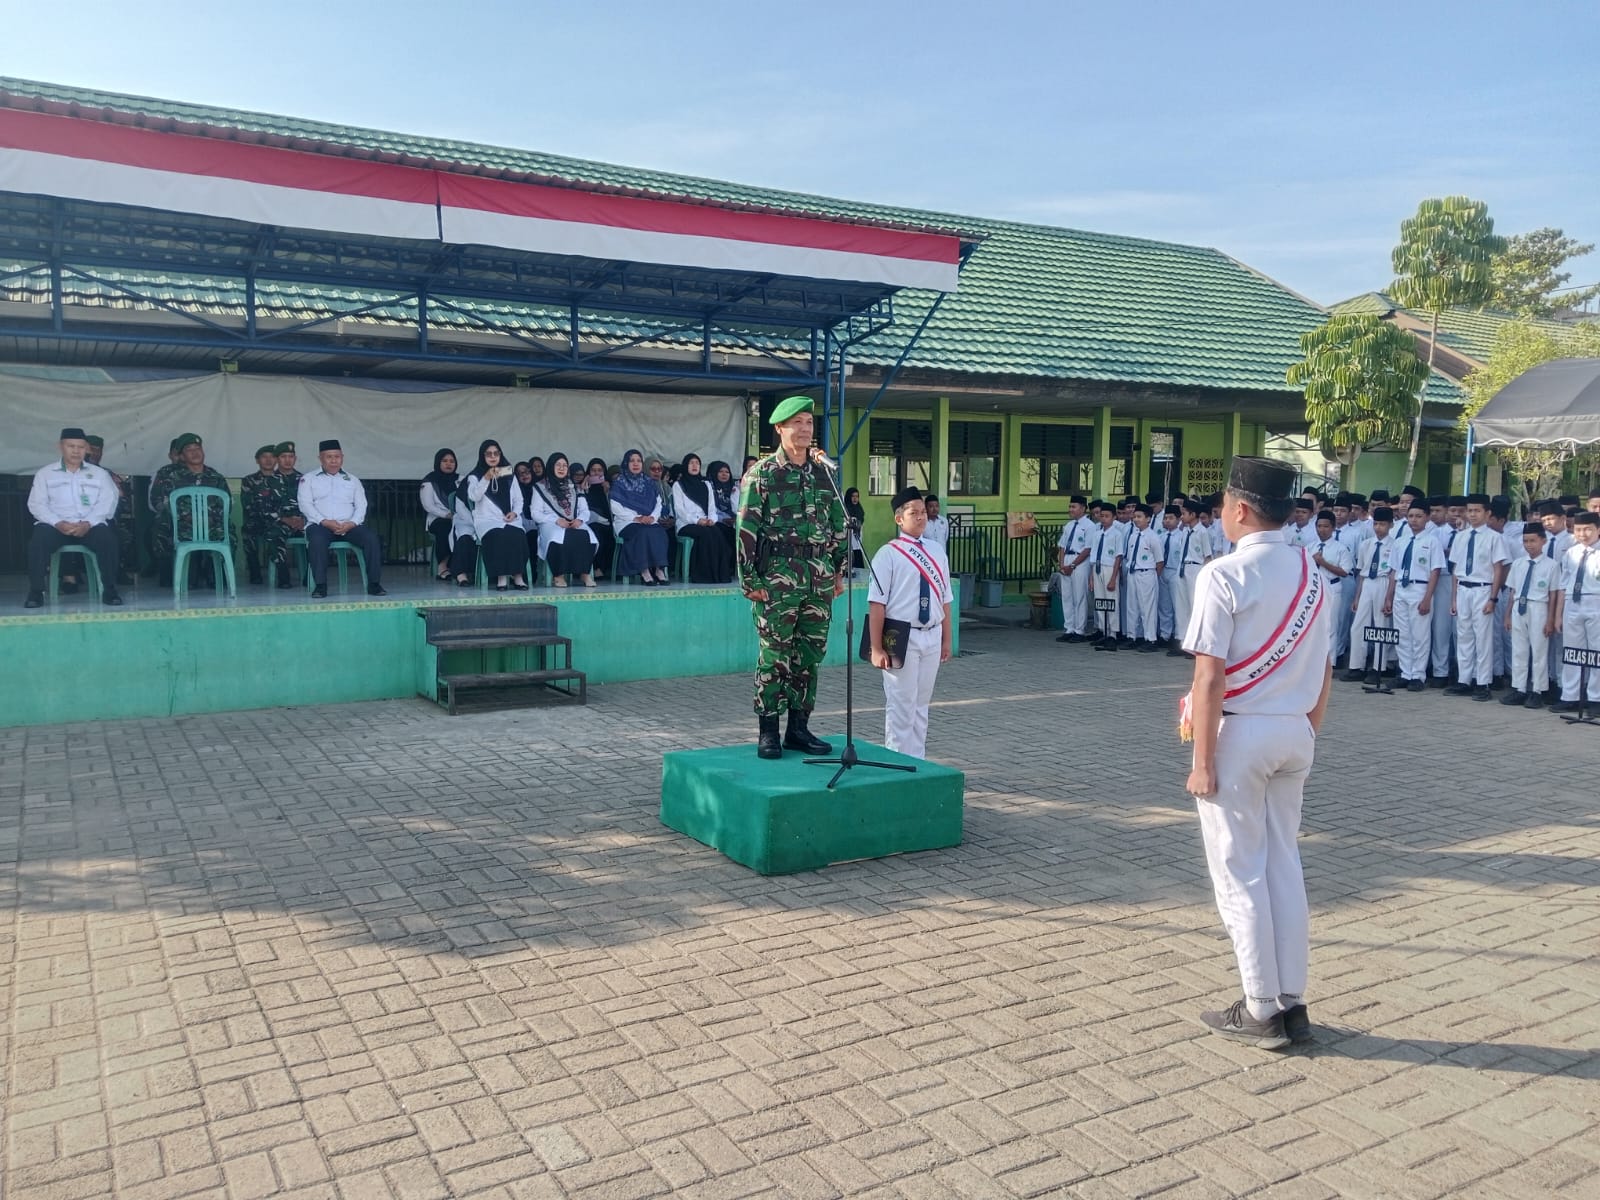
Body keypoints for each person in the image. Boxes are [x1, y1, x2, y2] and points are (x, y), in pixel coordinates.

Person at [1181, 455, 1332, 1050]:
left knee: (1240, 872)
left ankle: (1260, 1007)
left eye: (1222, 503)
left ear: (1240, 509)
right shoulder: (1313, 572)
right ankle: (1292, 1002)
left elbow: (1209, 678)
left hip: (1239, 733)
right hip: (1294, 729)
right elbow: (1324, 669)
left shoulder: (1223, 574)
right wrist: (1306, 729)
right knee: (1282, 867)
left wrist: (1202, 760)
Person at [737, 396, 846, 759]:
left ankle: (798, 728)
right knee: (774, 655)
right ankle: (768, 730)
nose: (804, 429)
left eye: (809, 423)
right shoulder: (763, 474)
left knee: (810, 654)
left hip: (819, 577)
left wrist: (840, 569)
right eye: (796, 423)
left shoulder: (823, 473)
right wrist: (749, 580)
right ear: (780, 429)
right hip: (778, 577)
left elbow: (839, 523)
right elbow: (746, 529)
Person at [867, 486, 953, 759]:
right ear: (899, 519)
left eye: (923, 512)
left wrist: (946, 639)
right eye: (913, 513)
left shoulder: (937, 550)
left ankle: (917, 761)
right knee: (901, 704)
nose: (920, 517)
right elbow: (877, 604)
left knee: (921, 705)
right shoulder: (888, 554)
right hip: (901, 636)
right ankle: (897, 760)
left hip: (931, 633)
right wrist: (876, 647)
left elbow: (945, 599)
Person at [23, 427, 124, 608]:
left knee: (108, 539)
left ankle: (110, 589)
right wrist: (58, 522)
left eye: (80, 447)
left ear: (87, 449)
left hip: (89, 525)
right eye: (71, 446)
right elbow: (36, 504)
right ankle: (36, 592)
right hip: (55, 526)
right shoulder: (45, 474)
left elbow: (108, 502)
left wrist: (88, 523)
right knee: (38, 541)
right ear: (60, 447)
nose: (76, 451)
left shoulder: (99, 474)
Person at [297, 439, 387, 599]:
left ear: (342, 457)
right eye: (329, 457)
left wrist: (351, 523)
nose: (333, 461)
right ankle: (320, 586)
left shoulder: (353, 480)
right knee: (317, 540)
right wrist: (324, 521)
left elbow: (361, 505)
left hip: (349, 525)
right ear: (320, 458)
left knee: (371, 538)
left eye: (337, 457)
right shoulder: (308, 479)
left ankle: (374, 584)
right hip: (320, 525)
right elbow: (305, 505)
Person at [1445, 494, 1509, 701]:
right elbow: (1456, 569)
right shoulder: (1461, 537)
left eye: (1477, 511)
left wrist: (1493, 598)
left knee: (1483, 638)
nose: (1472, 514)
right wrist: (1454, 599)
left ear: (1487, 513)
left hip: (1483, 589)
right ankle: (1464, 679)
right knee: (1464, 636)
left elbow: (1498, 568)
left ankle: (1483, 682)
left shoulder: (1494, 538)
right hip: (1464, 589)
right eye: (1469, 510)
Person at [148, 432, 233, 588]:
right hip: (180, 524)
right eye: (189, 449)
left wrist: (210, 518)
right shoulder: (168, 474)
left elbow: (227, 503)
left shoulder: (215, 476)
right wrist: (184, 517)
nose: (195, 452)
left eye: (198, 448)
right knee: (161, 525)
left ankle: (216, 574)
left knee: (229, 530)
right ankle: (172, 574)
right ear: (181, 456)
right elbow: (158, 501)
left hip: (211, 524)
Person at [1385, 504, 1443, 692]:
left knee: (1420, 635)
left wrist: (1427, 598)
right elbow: (1393, 571)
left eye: (1418, 516)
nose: (1414, 520)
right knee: (1402, 633)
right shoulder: (1400, 541)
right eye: (1410, 516)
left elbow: (1435, 571)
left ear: (1427, 518)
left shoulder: (1432, 541)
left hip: (1420, 588)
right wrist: (1389, 596)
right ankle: (1405, 672)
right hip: (1401, 588)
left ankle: (1418, 675)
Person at [1502, 524, 1558, 707]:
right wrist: (1508, 615)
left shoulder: (1551, 565)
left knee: (1539, 651)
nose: (1529, 545)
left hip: (1539, 607)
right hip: (1520, 606)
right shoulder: (1518, 563)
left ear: (1543, 541)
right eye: (1525, 541)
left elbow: (1553, 594)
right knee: (1519, 650)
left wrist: (1550, 619)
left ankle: (1538, 690)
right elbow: (1513, 591)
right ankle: (1519, 688)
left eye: (1533, 541)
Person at [464, 440, 530, 590]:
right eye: (488, 454)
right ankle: (501, 578)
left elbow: (519, 499)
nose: (493, 457)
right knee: (498, 535)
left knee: (517, 534)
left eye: (496, 453)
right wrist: (486, 478)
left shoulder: (508, 474)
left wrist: (515, 513)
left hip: (509, 518)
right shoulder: (475, 476)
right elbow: (474, 496)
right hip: (486, 520)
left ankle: (518, 576)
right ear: (483, 456)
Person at [1551, 512, 1600, 713]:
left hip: (1596, 602)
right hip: (1573, 602)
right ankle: (1570, 695)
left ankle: (1596, 698)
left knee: (1596, 652)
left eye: (1588, 529)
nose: (1583, 534)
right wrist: (1558, 615)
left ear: (1598, 530)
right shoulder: (1571, 553)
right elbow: (1563, 585)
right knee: (1572, 652)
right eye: (1578, 530)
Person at [528, 453, 598, 587]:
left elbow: (585, 510)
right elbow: (535, 513)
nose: (562, 468)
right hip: (550, 522)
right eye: (558, 465)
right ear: (551, 467)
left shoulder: (574, 487)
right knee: (558, 536)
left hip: (573, 521)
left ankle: (585, 573)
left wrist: (580, 520)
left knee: (586, 534)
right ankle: (558, 575)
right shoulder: (540, 487)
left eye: (565, 465)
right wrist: (556, 521)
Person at [1345, 506, 1396, 685]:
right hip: (1367, 583)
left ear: (1390, 525)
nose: (1378, 528)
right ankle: (1356, 666)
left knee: (1381, 625)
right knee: (1358, 625)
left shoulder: (1395, 544)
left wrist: (1389, 597)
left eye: (1382, 524)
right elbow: (1361, 572)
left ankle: (1378, 667)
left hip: (1383, 582)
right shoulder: (1366, 544)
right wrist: (1357, 597)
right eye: (1376, 524)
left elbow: (1393, 573)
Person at [671, 453, 735, 584]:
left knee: (717, 533)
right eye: (691, 463)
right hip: (686, 523)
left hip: (705, 521)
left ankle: (719, 575)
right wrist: (697, 521)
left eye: (697, 463)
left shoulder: (706, 484)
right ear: (686, 466)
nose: (695, 466)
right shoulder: (678, 485)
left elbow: (712, 507)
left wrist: (712, 519)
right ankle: (703, 575)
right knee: (706, 534)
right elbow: (680, 510)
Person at [612, 449, 672, 585]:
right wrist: (636, 518)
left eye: (639, 461)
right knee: (642, 532)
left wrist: (652, 517)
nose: (635, 464)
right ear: (626, 463)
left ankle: (658, 569)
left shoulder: (649, 482)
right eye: (632, 461)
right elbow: (615, 507)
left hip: (649, 520)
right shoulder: (619, 482)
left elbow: (658, 503)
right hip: (626, 522)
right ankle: (644, 570)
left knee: (659, 532)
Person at [84, 433, 136, 584]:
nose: (95, 453)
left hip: (101, 519)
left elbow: (121, 497)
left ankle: (115, 572)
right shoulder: (73, 471)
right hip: (75, 520)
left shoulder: (106, 473)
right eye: (91, 449)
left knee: (120, 532)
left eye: (98, 450)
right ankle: (69, 578)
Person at [1168, 499, 1214, 656]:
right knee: (1181, 606)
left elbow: (1207, 556)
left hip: (1196, 568)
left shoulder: (1202, 532)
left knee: (1194, 606)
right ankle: (1182, 640)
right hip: (1182, 567)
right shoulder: (1185, 531)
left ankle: (1196, 643)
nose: (1182, 517)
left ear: (1193, 515)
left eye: (1184, 514)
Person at [1122, 504, 1164, 651]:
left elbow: (1159, 561)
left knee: (1148, 608)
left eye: (1139, 517)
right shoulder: (1133, 536)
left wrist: (1153, 577)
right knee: (1132, 606)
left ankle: (1150, 638)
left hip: (1147, 573)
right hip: (1133, 572)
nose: (1136, 520)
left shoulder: (1153, 537)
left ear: (1148, 518)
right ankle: (1133, 636)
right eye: (1134, 517)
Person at [1054, 495, 1095, 643]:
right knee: (1067, 596)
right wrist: (1062, 565)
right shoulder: (1069, 525)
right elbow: (1062, 546)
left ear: (1083, 508)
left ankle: (1079, 630)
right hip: (1067, 560)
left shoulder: (1090, 526)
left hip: (1080, 562)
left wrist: (1072, 565)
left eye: (1074, 507)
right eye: (1070, 506)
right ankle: (1069, 628)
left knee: (1080, 596)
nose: (1071, 509)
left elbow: (1087, 549)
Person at [241, 444, 281, 585]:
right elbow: (248, 506)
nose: (268, 460)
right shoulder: (249, 480)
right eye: (264, 457)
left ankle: (282, 574)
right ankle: (255, 572)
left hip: (279, 522)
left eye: (272, 457)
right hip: (258, 520)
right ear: (257, 460)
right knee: (248, 531)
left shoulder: (282, 479)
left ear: (276, 460)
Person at [1088, 500, 1125, 651]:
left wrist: (1113, 578)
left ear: (1114, 517)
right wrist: (1091, 577)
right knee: (1100, 601)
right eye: (1101, 516)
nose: (1103, 519)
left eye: (1107, 516)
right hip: (1097, 568)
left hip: (1110, 569)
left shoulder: (1117, 534)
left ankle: (1113, 634)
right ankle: (1103, 631)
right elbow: (1093, 556)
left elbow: (1118, 557)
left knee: (1111, 601)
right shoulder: (1097, 534)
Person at [420, 449, 460, 581]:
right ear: (438, 462)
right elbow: (428, 505)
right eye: (445, 461)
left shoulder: (460, 480)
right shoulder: (429, 481)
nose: (449, 464)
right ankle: (442, 567)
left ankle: (462, 567)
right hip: (438, 519)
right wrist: (446, 514)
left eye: (452, 461)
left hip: (459, 517)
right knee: (445, 528)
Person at [843, 486, 867, 574]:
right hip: (848, 543)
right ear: (849, 497)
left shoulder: (859, 509)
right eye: (853, 496)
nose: (855, 498)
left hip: (857, 542)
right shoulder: (845, 509)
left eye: (857, 496)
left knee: (858, 566)